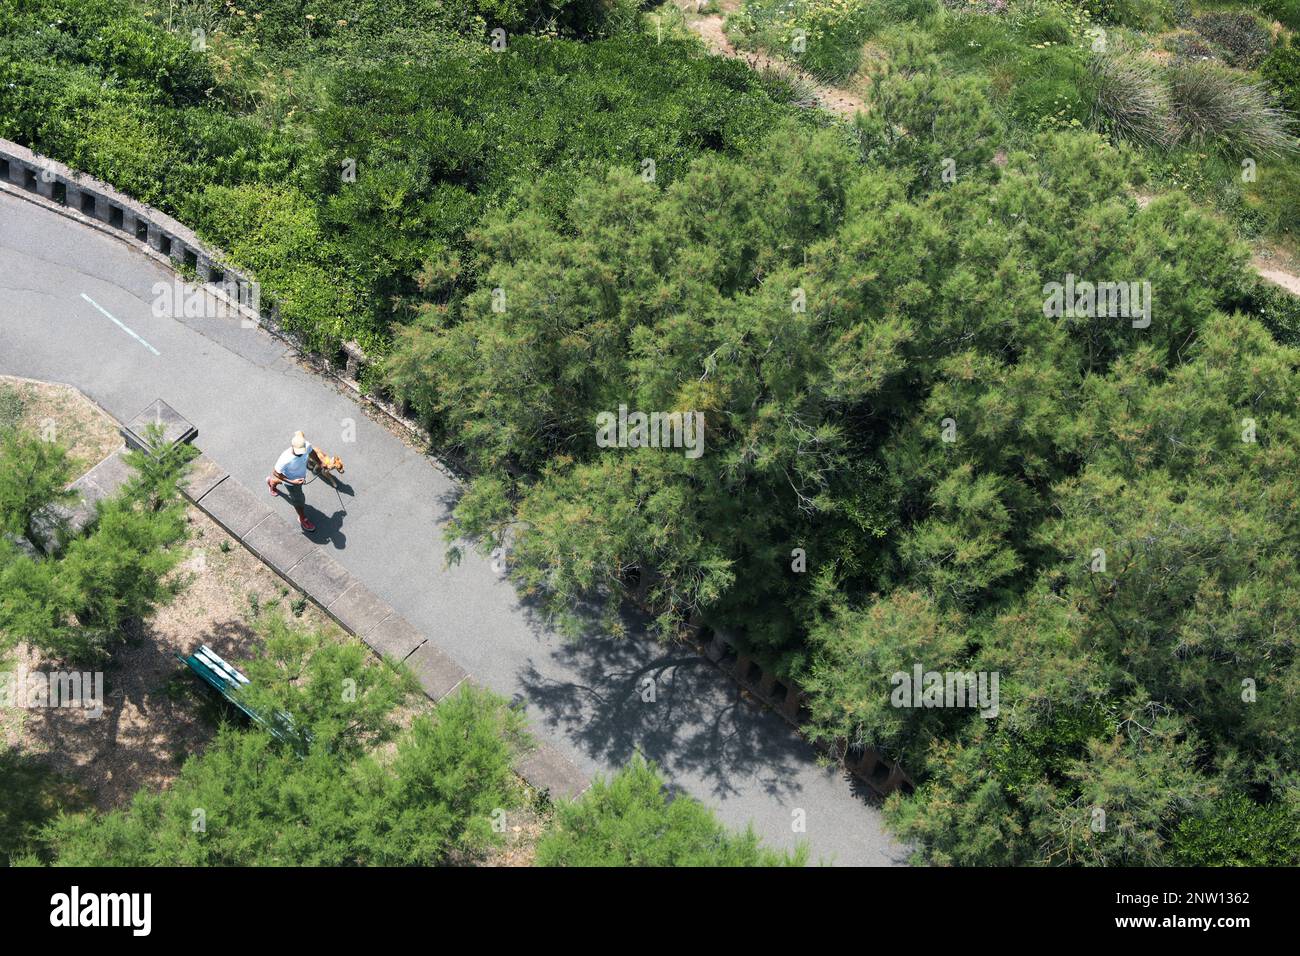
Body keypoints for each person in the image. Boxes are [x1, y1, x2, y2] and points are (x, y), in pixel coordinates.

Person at [267, 430, 320, 532]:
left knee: (290, 486)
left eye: (303, 451)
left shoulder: (306, 446)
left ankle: (272, 482)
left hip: (299, 476)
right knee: (299, 500)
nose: (302, 454)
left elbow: (312, 452)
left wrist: (320, 462)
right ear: (292, 447)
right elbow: (276, 472)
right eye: (299, 452)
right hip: (292, 482)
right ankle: (302, 518)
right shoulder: (285, 459)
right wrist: (293, 482)